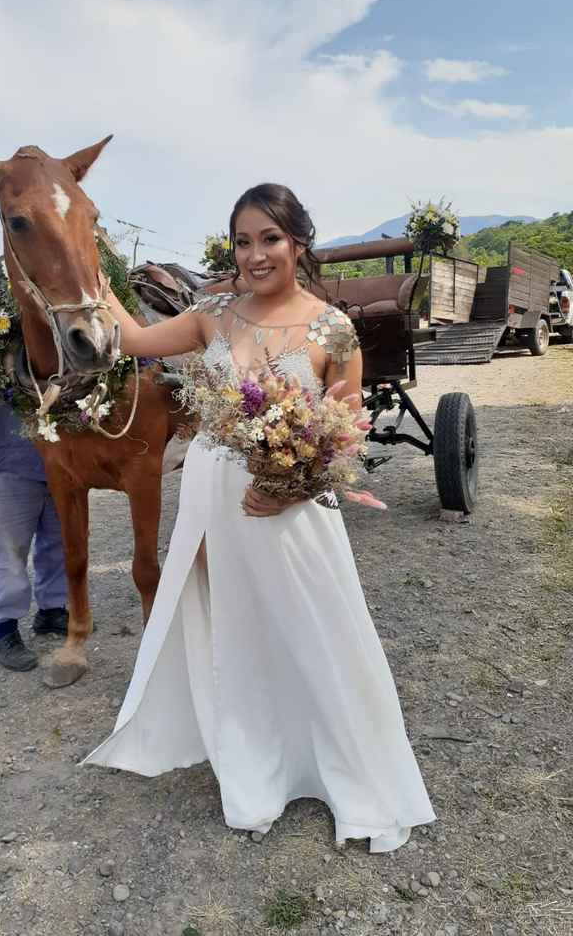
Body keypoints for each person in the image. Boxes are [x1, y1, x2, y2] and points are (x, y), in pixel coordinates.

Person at [83, 185, 435, 851]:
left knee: (314, 625)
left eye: (269, 238)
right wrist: (85, 263)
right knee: (236, 628)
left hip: (293, 507)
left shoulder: (333, 327)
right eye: (242, 241)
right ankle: (257, 762)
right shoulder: (212, 314)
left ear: (298, 242)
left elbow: (347, 430)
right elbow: (129, 336)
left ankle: (343, 763)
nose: (255, 254)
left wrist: (293, 488)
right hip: (214, 500)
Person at [0, 257, 69, 671]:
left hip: (56, 458)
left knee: (57, 540)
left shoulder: (53, 323)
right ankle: (5, 630)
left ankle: (53, 610)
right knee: (10, 551)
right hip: (6, 459)